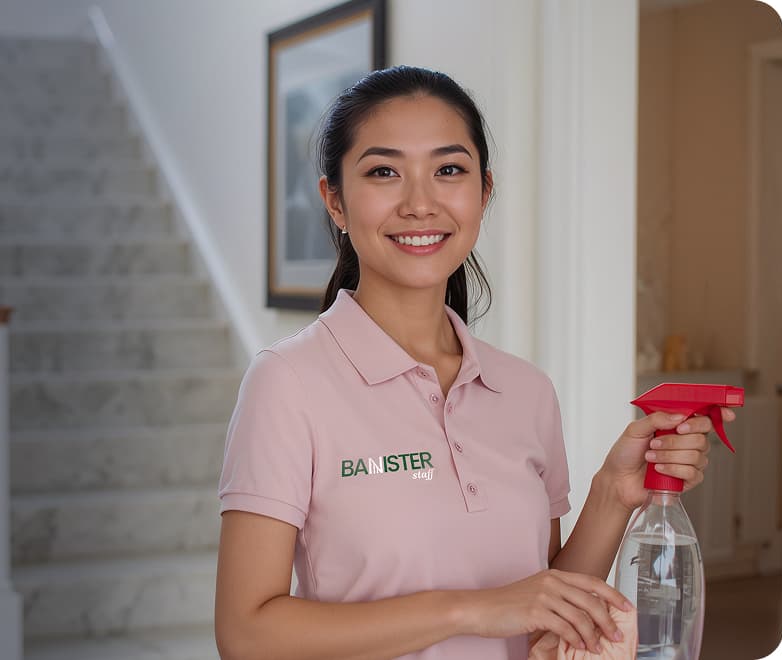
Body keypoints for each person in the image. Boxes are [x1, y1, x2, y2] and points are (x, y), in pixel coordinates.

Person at [214, 66, 734, 659]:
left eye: (448, 170)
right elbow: (246, 635)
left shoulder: (526, 391)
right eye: (384, 172)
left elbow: (544, 610)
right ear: (334, 198)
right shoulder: (287, 383)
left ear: (483, 192)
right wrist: (471, 608)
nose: (419, 203)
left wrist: (615, 493)